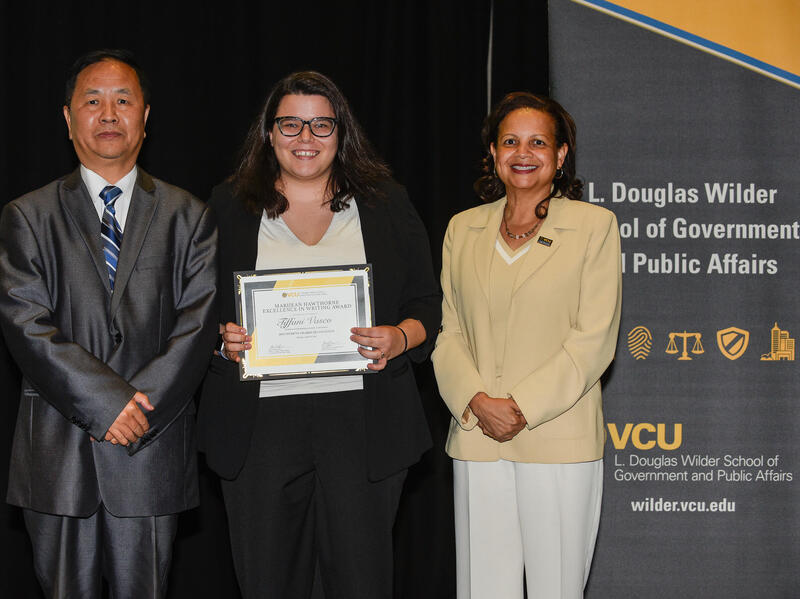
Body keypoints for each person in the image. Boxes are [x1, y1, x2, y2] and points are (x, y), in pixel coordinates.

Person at [197, 71, 440, 599]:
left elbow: (428, 304)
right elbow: (192, 312)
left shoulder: (385, 204)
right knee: (267, 583)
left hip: (363, 424)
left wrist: (399, 338)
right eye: (291, 124)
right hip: (259, 428)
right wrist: (222, 338)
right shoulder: (226, 208)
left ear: (341, 132)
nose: (305, 138)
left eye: (321, 125)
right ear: (268, 132)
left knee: (361, 583)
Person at [0, 49, 217, 598]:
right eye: (92, 101)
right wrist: (107, 405)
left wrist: (135, 411)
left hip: (149, 449)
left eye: (123, 100)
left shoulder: (189, 216)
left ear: (145, 116)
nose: (108, 113)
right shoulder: (27, 216)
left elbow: (198, 325)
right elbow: (26, 323)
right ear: (68, 118)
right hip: (59, 455)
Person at [432, 92, 622, 599]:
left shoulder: (593, 227)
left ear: (561, 157)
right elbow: (449, 333)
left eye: (539, 142)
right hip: (478, 437)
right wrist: (478, 403)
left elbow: (593, 339)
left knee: (555, 589)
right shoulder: (461, 229)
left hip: (557, 439)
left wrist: (519, 407)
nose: (524, 152)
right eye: (511, 141)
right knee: (482, 589)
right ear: (494, 153)